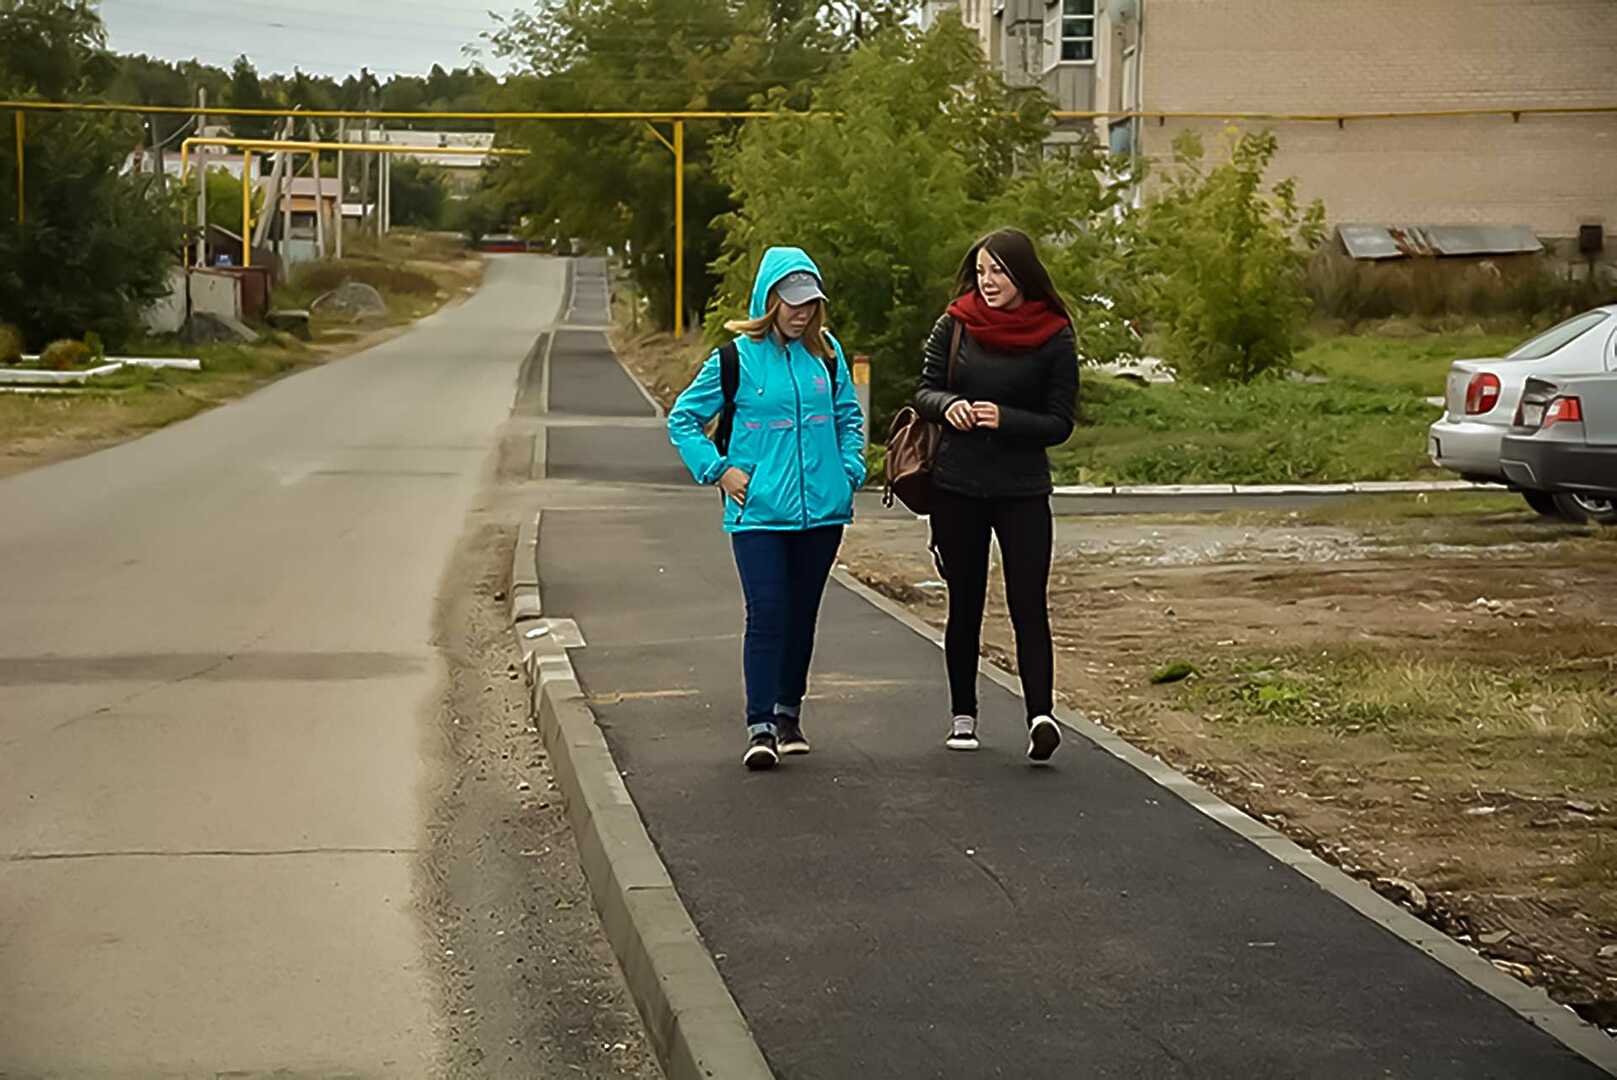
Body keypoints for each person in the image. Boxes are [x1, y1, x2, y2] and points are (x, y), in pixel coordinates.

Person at [668, 247, 867, 770]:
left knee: (802, 615)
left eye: (810, 303)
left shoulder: (828, 355)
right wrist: (719, 470)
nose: (801, 313)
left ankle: (788, 713)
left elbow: (849, 417)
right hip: (757, 514)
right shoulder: (735, 359)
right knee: (768, 612)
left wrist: (849, 471)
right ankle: (759, 726)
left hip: (822, 512)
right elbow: (683, 420)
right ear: (769, 299)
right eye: (792, 302)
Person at [913, 228, 1078, 762]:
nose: (987, 282)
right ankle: (964, 715)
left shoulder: (1055, 335)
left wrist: (1004, 418)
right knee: (965, 602)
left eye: (998, 272)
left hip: (1023, 488)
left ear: (1022, 275)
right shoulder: (955, 322)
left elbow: (1059, 423)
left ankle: (1040, 716)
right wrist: (948, 407)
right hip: (957, 484)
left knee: (1028, 602)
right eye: (981, 272)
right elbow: (925, 389)